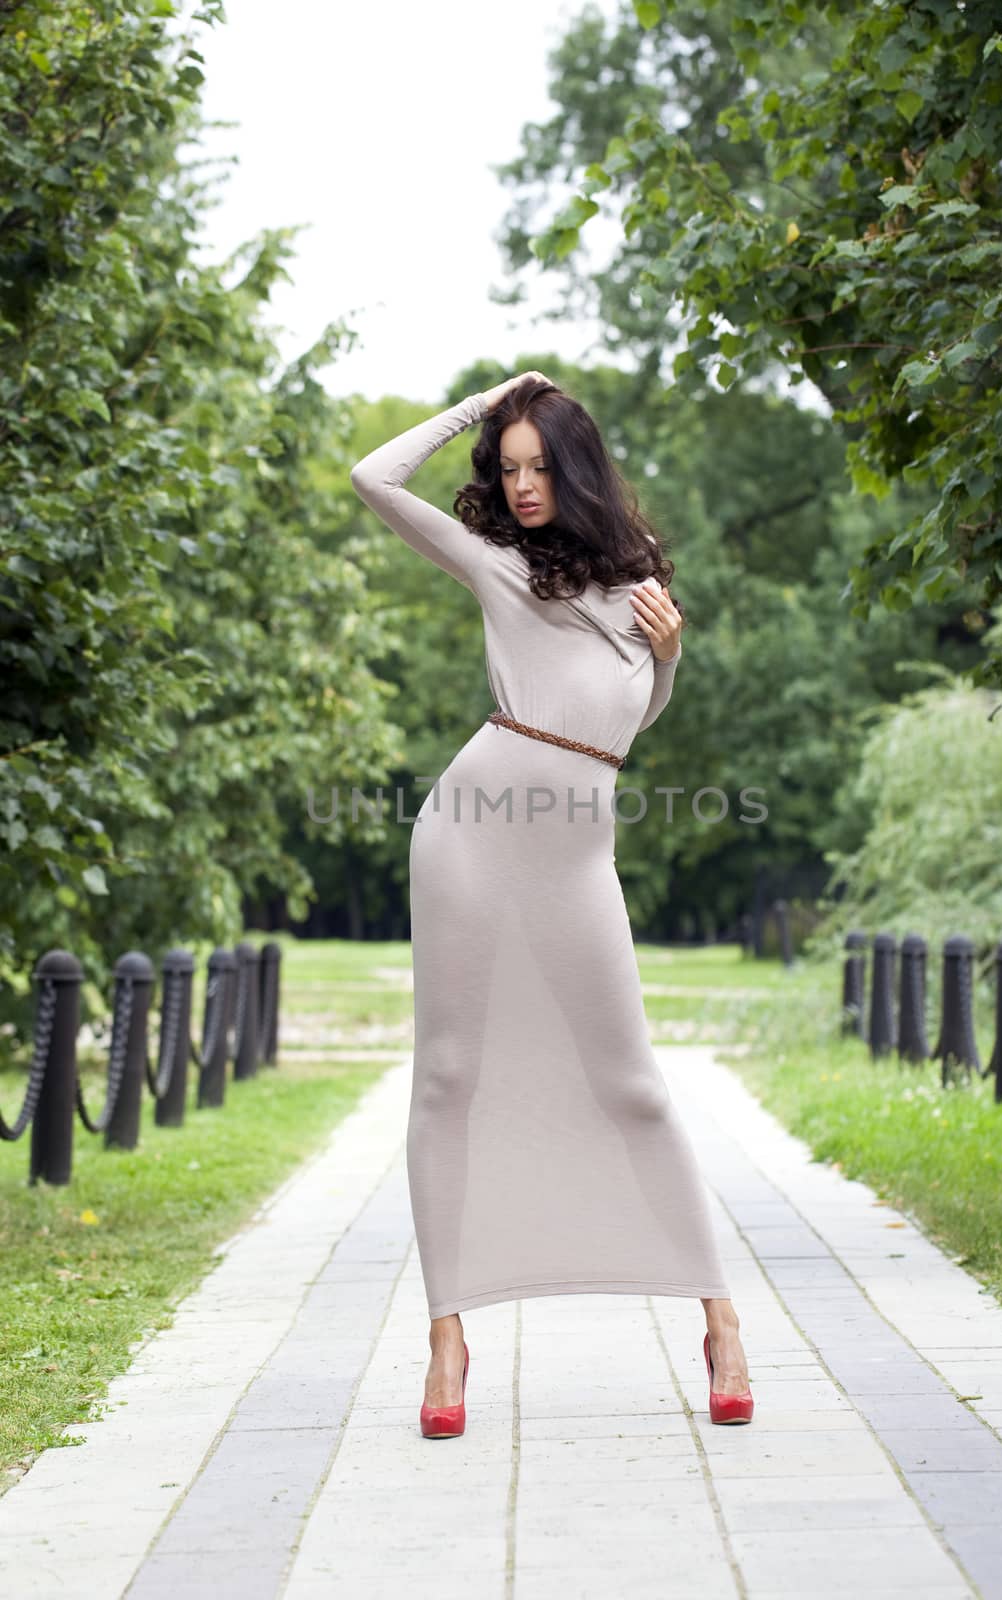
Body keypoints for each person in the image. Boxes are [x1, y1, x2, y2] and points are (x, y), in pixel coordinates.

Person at [349, 372, 753, 1438]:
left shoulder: (640, 584)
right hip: (471, 834)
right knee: (448, 1076)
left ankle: (718, 1319)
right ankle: (446, 1337)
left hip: (574, 851)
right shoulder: (495, 565)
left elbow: (622, 721)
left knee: (629, 1083)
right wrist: (482, 402)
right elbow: (369, 475)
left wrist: (668, 660)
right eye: (507, 466)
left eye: (537, 465)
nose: (521, 486)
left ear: (573, 467)